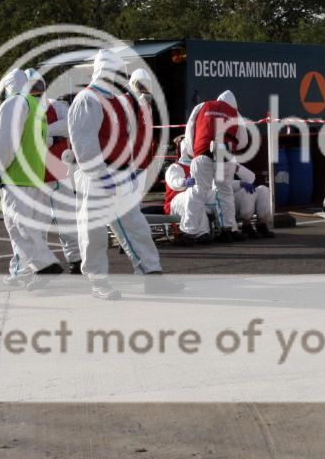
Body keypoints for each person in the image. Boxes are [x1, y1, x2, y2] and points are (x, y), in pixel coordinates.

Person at [67, 49, 179, 299]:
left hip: (117, 174)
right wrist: (101, 175)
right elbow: (84, 144)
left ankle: (152, 274)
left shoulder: (118, 102)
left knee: (136, 226)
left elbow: (125, 141)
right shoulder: (88, 99)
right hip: (95, 177)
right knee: (93, 231)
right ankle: (98, 281)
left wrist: (127, 171)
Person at [0, 68, 63, 289]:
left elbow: (5, 142)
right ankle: (33, 269)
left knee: (17, 226)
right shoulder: (35, 106)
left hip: (16, 176)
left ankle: (45, 264)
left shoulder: (13, 104)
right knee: (27, 226)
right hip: (34, 175)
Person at [24, 68, 81, 275]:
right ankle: (42, 265)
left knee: (68, 220)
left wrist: (44, 135)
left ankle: (75, 259)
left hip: (59, 172)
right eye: (33, 87)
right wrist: (49, 137)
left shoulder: (56, 106)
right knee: (38, 224)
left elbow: (69, 125)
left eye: (39, 86)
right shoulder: (23, 109)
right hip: (35, 175)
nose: (37, 91)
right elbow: (26, 136)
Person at [180, 89, 249, 243]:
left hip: (203, 154)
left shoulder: (202, 107)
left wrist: (193, 151)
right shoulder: (235, 114)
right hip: (226, 157)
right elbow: (243, 141)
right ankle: (228, 229)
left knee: (197, 192)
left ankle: (189, 232)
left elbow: (190, 130)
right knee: (225, 192)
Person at [231, 162, 275, 240]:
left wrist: (237, 168)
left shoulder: (232, 164)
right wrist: (240, 183)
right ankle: (246, 225)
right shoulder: (217, 165)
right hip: (227, 201)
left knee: (263, 189)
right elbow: (218, 185)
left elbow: (251, 178)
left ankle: (262, 224)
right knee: (248, 191)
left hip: (240, 198)